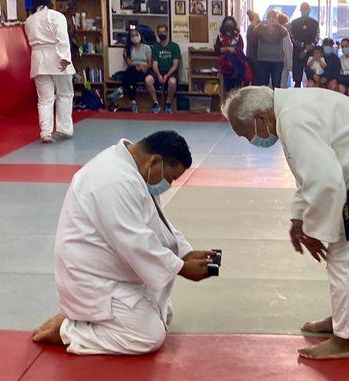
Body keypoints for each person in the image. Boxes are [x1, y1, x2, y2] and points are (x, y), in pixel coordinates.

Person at [221, 86, 349, 360]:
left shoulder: (293, 118)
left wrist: (314, 230)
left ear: (260, 118)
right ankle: (343, 321)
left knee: (347, 258)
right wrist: (299, 218)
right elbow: (306, 174)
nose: (249, 140)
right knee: (343, 257)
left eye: (245, 133)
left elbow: (327, 181)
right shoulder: (288, 110)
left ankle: (344, 340)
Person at [32, 131, 216, 354]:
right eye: (170, 178)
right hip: (89, 279)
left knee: (164, 312)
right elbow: (134, 241)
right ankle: (70, 329)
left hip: (111, 270)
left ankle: (88, 318)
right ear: (155, 161)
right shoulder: (111, 180)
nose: (169, 184)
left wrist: (185, 252)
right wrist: (180, 267)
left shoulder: (133, 171)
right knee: (149, 336)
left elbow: (155, 223)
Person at [25, 0, 75, 143]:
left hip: (38, 60)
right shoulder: (56, 16)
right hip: (57, 57)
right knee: (65, 94)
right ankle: (64, 129)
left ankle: (45, 132)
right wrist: (65, 59)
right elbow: (62, 39)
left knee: (44, 99)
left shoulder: (29, 21)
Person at [108, 29, 152, 113]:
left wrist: (143, 66)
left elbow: (150, 64)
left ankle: (121, 90)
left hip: (144, 70)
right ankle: (133, 102)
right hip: (133, 71)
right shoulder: (127, 50)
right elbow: (129, 63)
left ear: (140, 35)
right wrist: (137, 66)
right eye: (132, 36)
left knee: (129, 74)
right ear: (130, 38)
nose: (134, 37)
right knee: (131, 76)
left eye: (136, 34)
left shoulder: (146, 48)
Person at [145, 25, 181, 114]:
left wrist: (167, 75)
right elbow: (154, 65)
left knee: (172, 82)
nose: (162, 34)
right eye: (159, 32)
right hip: (158, 72)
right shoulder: (155, 47)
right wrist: (159, 75)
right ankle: (156, 103)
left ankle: (168, 103)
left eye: (163, 32)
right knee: (148, 80)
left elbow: (175, 65)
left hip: (170, 72)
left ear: (167, 32)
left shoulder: (174, 46)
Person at [253, 10, 287, 88]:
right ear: (267, 17)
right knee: (263, 85)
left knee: (276, 84)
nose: (271, 19)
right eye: (270, 17)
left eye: (274, 17)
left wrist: (278, 25)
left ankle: (276, 99)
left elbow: (285, 33)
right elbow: (254, 32)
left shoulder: (279, 28)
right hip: (263, 60)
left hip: (277, 61)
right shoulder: (262, 27)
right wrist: (260, 24)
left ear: (276, 18)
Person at [289, 2, 319, 87]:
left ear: (310, 10)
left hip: (310, 53)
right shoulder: (294, 23)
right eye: (303, 9)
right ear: (300, 10)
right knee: (297, 79)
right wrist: (302, 46)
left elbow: (317, 37)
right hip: (298, 53)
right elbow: (292, 38)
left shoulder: (315, 23)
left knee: (311, 77)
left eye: (307, 9)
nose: (305, 11)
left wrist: (308, 48)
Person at [214, 16, 246, 93]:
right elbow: (218, 50)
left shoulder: (238, 37)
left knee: (237, 90)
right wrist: (228, 49)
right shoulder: (220, 37)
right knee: (228, 89)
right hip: (225, 66)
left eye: (230, 24)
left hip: (237, 66)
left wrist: (228, 49)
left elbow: (240, 50)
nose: (229, 25)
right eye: (227, 23)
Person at [278, 12, 293, 88]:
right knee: (282, 87)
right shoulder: (284, 32)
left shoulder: (268, 30)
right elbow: (288, 50)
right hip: (282, 64)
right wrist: (290, 66)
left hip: (269, 64)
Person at [246, 10, 260, 84]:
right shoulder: (252, 28)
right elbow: (254, 42)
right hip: (253, 56)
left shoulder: (250, 27)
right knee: (255, 78)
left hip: (250, 55)